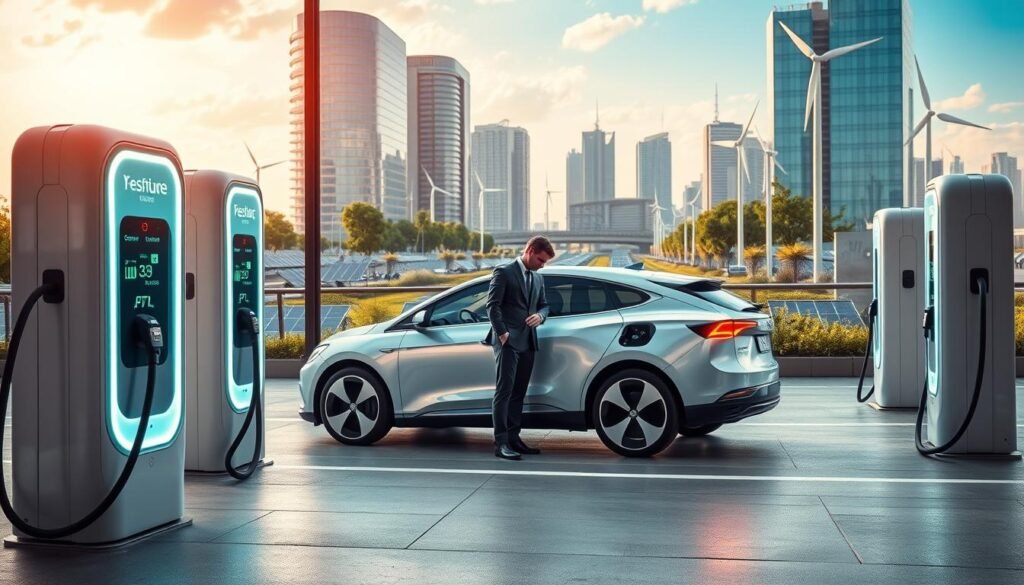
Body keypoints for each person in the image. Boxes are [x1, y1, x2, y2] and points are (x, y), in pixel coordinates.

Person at [483, 236, 555, 460]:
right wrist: (502, 333)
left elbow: (544, 305)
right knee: (503, 393)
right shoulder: (504, 272)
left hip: (528, 341)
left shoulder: (537, 278)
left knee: (518, 394)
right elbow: (492, 305)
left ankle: (514, 439)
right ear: (531, 251)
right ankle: (501, 443)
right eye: (541, 260)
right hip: (507, 342)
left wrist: (540, 317)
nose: (542, 265)